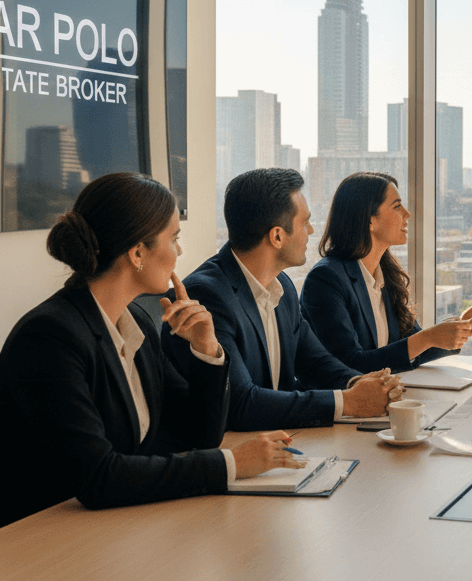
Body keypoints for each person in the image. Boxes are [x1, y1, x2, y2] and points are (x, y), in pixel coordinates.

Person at [0, 173, 298, 531]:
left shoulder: (136, 323)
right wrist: (230, 464)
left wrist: (206, 349)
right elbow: (98, 476)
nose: (179, 252)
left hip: (113, 525)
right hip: (35, 536)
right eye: (174, 238)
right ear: (138, 252)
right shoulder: (50, 338)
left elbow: (199, 434)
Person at [165, 168, 404, 432]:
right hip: (237, 446)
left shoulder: (283, 286)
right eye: (304, 223)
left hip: (283, 438)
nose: (311, 230)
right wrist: (347, 402)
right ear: (277, 236)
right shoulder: (207, 294)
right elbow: (241, 402)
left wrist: (358, 384)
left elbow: (314, 361)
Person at [301, 171, 472, 375]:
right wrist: (427, 338)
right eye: (397, 206)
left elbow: (410, 350)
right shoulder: (326, 280)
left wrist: (461, 328)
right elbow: (350, 365)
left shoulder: (385, 274)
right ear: (370, 221)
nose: (407, 214)